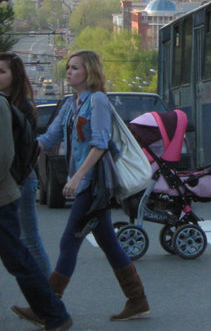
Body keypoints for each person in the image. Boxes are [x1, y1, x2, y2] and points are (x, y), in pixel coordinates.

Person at [12, 50, 150, 326]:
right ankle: (137, 300)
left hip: (93, 185)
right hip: (86, 184)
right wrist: (18, 144)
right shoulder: (71, 104)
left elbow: (100, 143)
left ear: (89, 72)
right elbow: (49, 140)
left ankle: (47, 307)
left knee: (68, 242)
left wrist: (76, 179)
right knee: (108, 242)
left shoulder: (97, 100)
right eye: (68, 68)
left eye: (75, 68)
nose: (69, 72)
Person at [1, 68, 73, 331]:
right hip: (9, 190)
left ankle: (53, 313)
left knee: (20, 255)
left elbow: (4, 154)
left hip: (6, 193)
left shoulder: (3, 104)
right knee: (20, 254)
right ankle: (52, 311)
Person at [0, 52, 51, 278]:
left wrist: (15, 178)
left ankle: (48, 298)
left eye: (2, 72)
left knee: (29, 240)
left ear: (15, 75)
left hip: (19, 179)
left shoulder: (22, 107)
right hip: (9, 179)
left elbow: (22, 149)